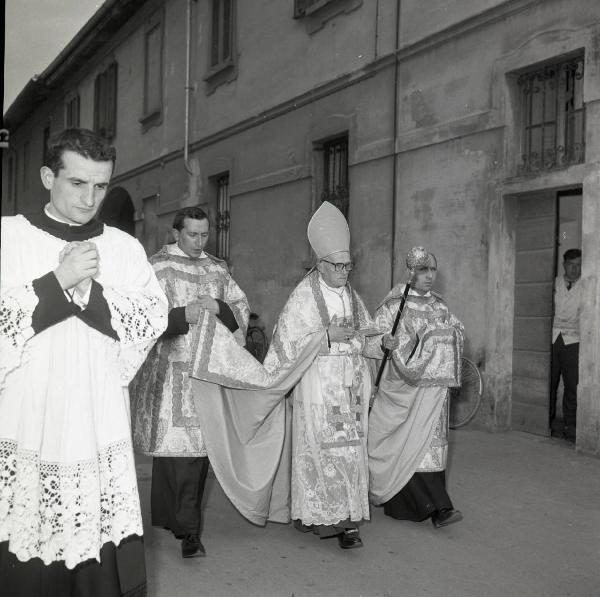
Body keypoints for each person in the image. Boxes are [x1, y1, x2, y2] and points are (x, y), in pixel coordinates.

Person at [0, 128, 168, 597]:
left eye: (100, 186)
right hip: (29, 419)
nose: (89, 198)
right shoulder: (10, 236)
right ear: (47, 176)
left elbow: (151, 317)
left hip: (96, 421)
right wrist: (58, 280)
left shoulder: (124, 248)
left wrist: (89, 291)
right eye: (77, 184)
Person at [185, 201, 386, 550]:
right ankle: (330, 521)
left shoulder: (352, 296)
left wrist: (384, 342)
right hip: (318, 389)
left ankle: (347, 517)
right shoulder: (303, 298)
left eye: (348, 265)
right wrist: (324, 337)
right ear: (320, 264)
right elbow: (286, 346)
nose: (344, 272)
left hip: (349, 390)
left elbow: (365, 334)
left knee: (350, 453)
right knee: (324, 453)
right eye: (338, 266)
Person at [130, 206, 250, 559]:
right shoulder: (157, 267)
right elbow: (141, 317)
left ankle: (188, 531)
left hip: (207, 372)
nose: (200, 241)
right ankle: (176, 519)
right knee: (174, 452)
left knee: (197, 454)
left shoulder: (217, 268)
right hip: (170, 373)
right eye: (193, 235)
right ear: (176, 233)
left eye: (204, 234)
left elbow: (239, 309)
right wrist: (184, 315)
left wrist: (217, 306)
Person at [368, 248, 464, 528]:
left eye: (433, 270)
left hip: (432, 393)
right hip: (400, 388)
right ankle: (406, 501)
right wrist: (384, 342)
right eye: (423, 271)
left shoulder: (440, 306)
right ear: (410, 273)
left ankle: (440, 507)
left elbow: (457, 332)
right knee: (404, 441)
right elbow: (372, 341)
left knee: (429, 447)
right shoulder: (393, 306)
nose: (430, 276)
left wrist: (448, 336)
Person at [550, 248, 582, 442]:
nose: (574, 269)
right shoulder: (554, 283)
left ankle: (570, 426)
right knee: (550, 382)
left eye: (578, 265)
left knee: (572, 385)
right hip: (553, 338)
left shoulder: (587, 285)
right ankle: (547, 423)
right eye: (571, 264)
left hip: (574, 340)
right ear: (564, 265)